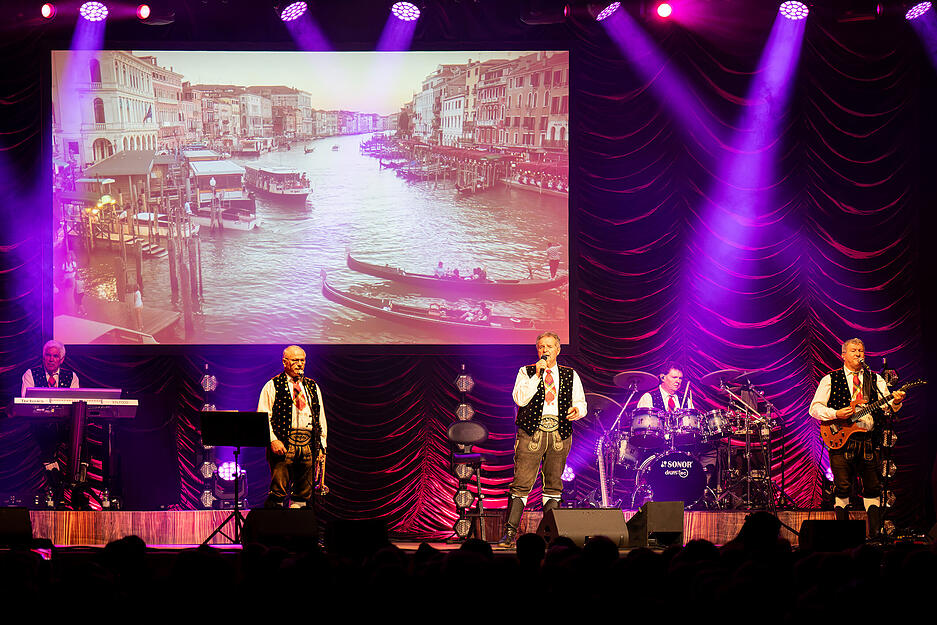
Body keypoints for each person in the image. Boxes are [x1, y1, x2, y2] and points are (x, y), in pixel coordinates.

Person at [810, 338, 904, 538]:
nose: (859, 354)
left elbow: (887, 406)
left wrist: (896, 402)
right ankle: (843, 537)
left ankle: (876, 534)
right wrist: (835, 414)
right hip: (841, 440)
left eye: (861, 350)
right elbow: (814, 408)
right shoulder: (830, 379)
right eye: (853, 350)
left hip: (869, 440)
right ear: (843, 355)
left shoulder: (875, 379)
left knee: (872, 487)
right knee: (842, 487)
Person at [499, 331, 587, 547]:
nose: (545, 350)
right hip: (531, 433)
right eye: (541, 347)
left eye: (549, 346)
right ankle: (509, 534)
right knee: (521, 483)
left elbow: (581, 403)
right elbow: (520, 399)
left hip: (559, 434)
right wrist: (537, 375)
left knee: (554, 485)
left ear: (558, 349)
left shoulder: (570, 374)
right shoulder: (526, 371)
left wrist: (577, 410)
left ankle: (552, 535)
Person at [257, 345, 327, 509]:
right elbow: (263, 416)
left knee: (303, 492)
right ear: (285, 362)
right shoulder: (273, 385)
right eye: (295, 360)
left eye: (302, 360)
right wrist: (273, 440)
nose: (300, 364)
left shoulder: (312, 387)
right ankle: (276, 522)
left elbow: (320, 418)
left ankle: (297, 521)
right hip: (283, 443)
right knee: (278, 490)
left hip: (308, 444)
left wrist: (322, 445)